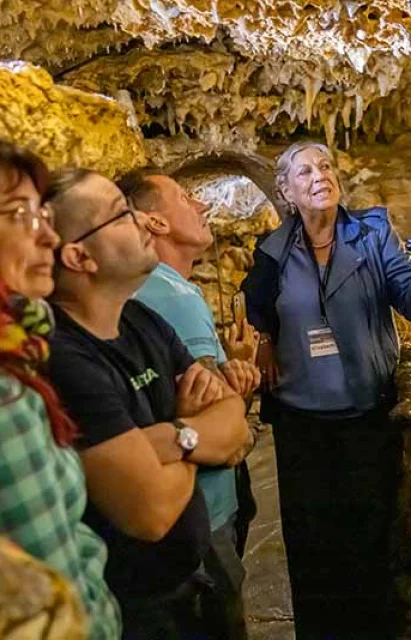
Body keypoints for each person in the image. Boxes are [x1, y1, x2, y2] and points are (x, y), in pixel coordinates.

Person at [241, 140, 411, 638]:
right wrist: (265, 338)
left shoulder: (373, 233)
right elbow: (254, 303)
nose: (320, 175)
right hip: (300, 425)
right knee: (312, 545)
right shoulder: (273, 251)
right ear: (286, 191)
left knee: (368, 543)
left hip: (364, 416)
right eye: (305, 171)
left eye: (326, 165)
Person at [45, 167, 253, 639]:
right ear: (79, 256)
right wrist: (194, 430)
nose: (141, 224)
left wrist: (165, 439)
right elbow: (151, 511)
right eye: (121, 216)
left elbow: (235, 420)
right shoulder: (63, 358)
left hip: (192, 583)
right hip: (134, 611)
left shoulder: (141, 319)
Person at [119, 170, 261, 639]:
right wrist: (229, 405)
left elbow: (202, 393)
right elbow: (216, 420)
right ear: (154, 224)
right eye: (185, 197)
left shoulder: (171, 289)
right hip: (200, 511)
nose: (202, 206)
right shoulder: (164, 296)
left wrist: (230, 369)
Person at [0, 140, 121, 639]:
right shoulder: (9, 399)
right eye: (18, 214)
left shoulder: (26, 350)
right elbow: (63, 609)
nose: (47, 235)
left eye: (42, 213)